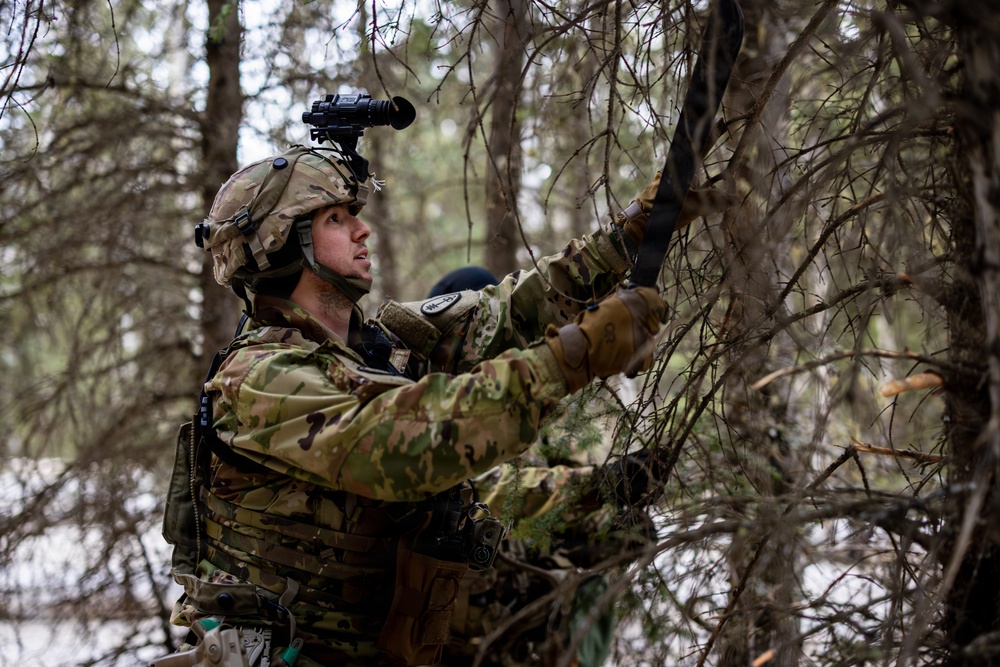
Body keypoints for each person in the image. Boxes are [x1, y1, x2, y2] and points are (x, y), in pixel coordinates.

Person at [153, 137, 670, 667]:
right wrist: (572, 358)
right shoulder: (259, 378)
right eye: (335, 218)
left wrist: (634, 229)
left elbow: (513, 313)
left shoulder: (376, 347)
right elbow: (403, 445)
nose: (362, 229)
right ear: (283, 242)